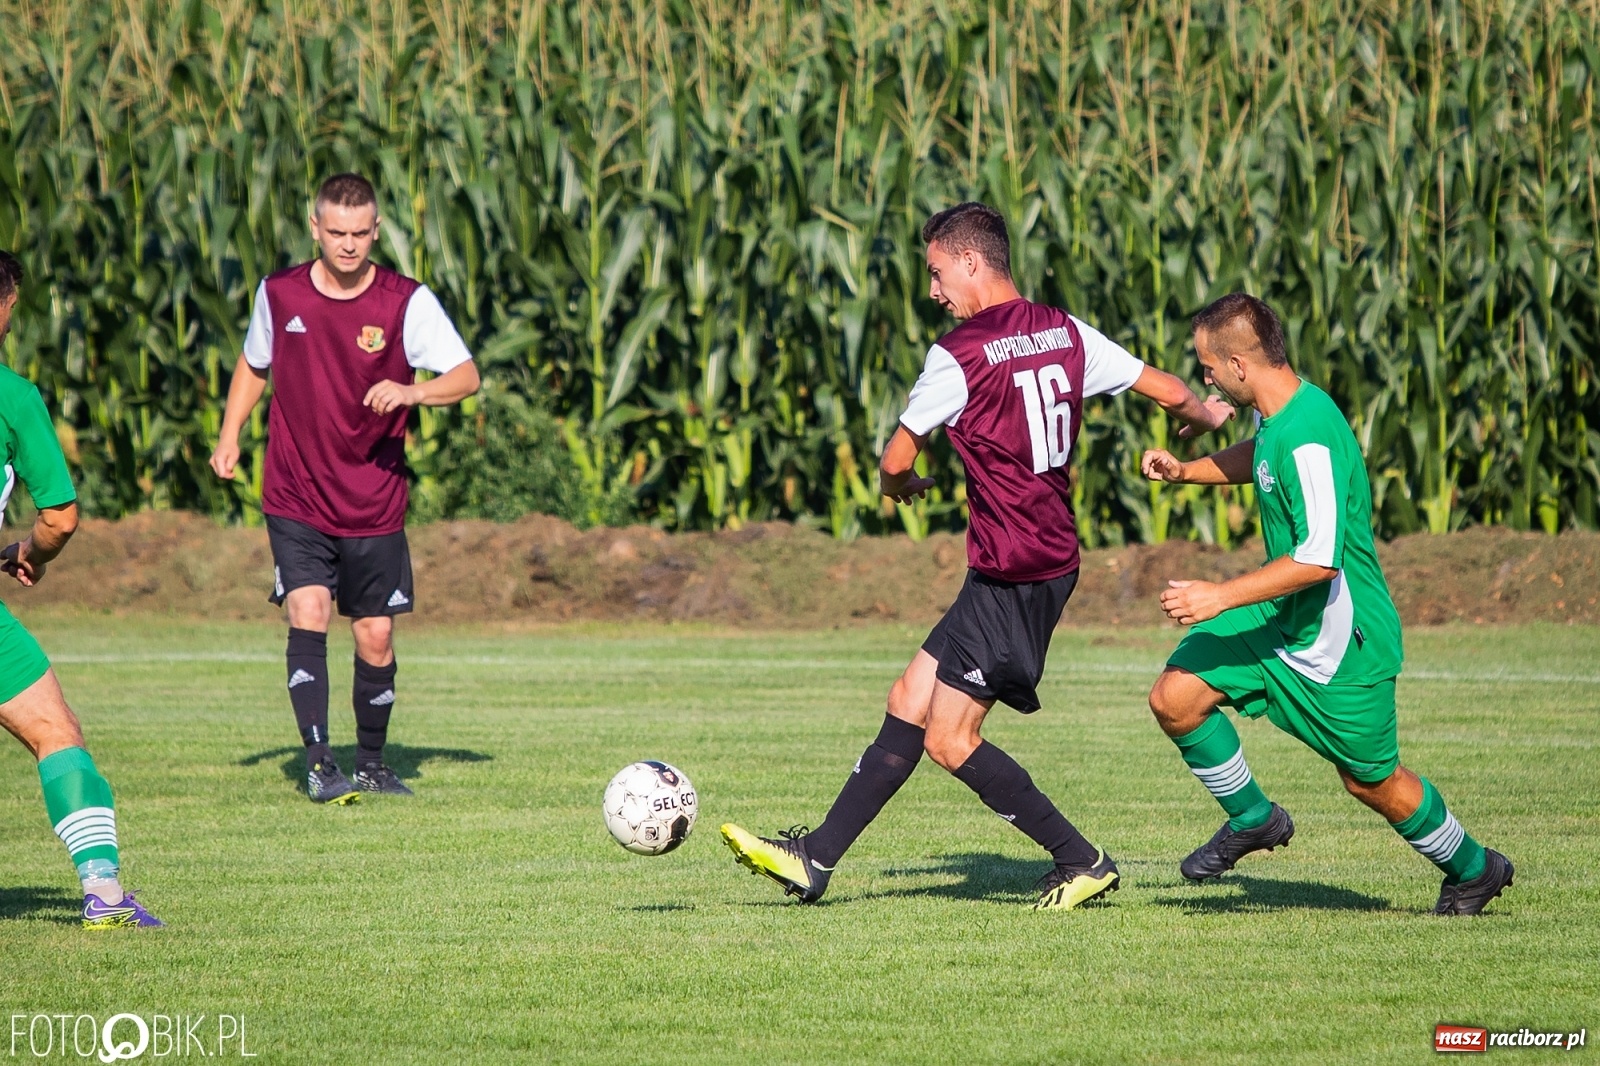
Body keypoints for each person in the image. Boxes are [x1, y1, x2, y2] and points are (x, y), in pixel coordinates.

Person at [720, 202, 1234, 909]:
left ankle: (1081, 859)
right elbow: (1171, 391)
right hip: (1036, 560)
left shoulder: (958, 355)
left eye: (936, 273)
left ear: (970, 261)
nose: (934, 292)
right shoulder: (1065, 330)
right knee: (908, 699)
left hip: (1013, 571)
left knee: (950, 740)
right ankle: (815, 861)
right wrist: (1211, 416)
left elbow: (895, 457)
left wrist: (903, 485)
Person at [1140, 292, 1513, 915]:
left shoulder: (1309, 434)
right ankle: (1254, 818)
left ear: (1238, 364)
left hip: (1342, 641)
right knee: (1175, 697)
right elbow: (1262, 462)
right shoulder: (1279, 411)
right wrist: (1187, 471)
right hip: (1282, 616)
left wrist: (1218, 596)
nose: (1203, 377)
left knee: (1372, 781)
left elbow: (1318, 560)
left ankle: (1475, 867)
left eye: (1207, 365)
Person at [209, 173, 480, 804]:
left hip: (374, 498)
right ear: (315, 228)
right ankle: (319, 762)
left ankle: (373, 764)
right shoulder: (278, 294)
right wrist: (230, 436)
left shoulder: (404, 301)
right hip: (297, 493)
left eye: (360, 234)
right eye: (336, 233)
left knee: (375, 637)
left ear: (376, 230)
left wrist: (414, 390)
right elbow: (254, 364)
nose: (349, 245)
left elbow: (466, 375)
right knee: (308, 610)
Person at [0, 251, 162, 928]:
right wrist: (25, 552)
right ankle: (103, 894)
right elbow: (60, 517)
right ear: (6, 307)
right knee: (55, 732)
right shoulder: (12, 396)